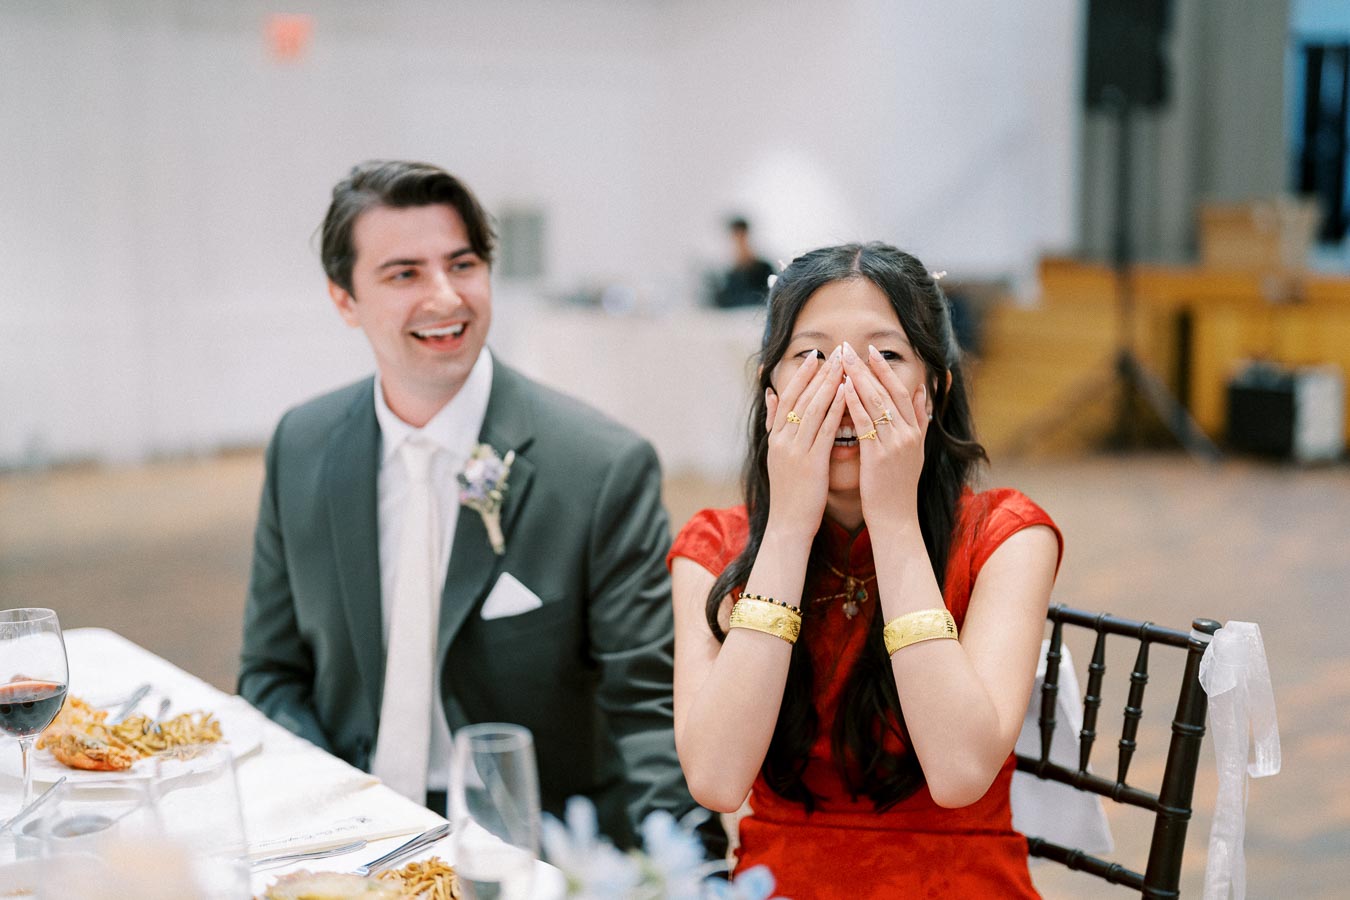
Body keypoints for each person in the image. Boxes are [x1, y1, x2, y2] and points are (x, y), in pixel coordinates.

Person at [239, 159, 715, 852]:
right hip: (349, 827)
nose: (445, 297)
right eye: (404, 274)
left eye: (462, 265)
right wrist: (331, 814)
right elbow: (272, 675)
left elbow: (647, 709)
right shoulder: (302, 446)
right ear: (345, 300)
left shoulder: (599, 468)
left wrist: (681, 871)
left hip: (536, 844)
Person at [669, 242, 1062, 897]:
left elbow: (961, 772)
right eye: (812, 357)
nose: (848, 388)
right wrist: (788, 528)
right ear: (771, 393)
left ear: (934, 391)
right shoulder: (714, 545)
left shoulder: (1007, 535)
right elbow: (715, 778)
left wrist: (895, 522)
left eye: (886, 357)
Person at [712, 216, 776, 309]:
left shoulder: (764, 268)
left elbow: (771, 295)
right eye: (736, 238)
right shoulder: (731, 275)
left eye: (742, 237)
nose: (740, 243)